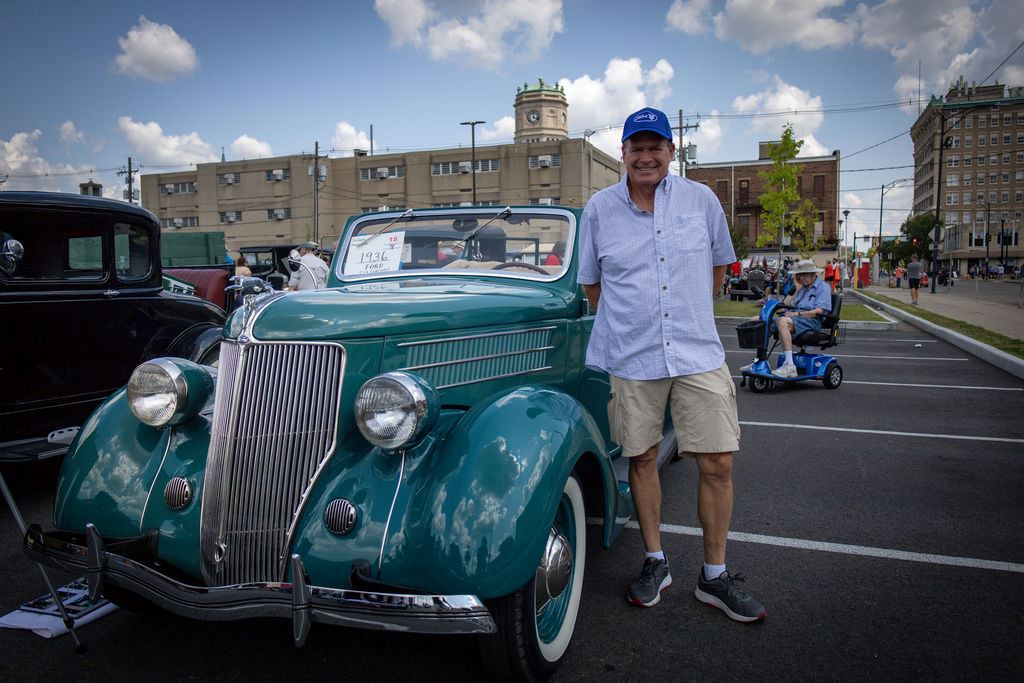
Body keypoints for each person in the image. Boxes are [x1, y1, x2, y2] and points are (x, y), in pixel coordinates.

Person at [577, 106, 766, 622]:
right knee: (641, 457)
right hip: (633, 356)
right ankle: (655, 562)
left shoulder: (701, 200)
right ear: (623, 153)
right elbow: (592, 284)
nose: (646, 156)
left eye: (655, 146)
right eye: (636, 147)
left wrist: (688, 311)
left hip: (696, 350)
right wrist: (632, 321)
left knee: (718, 460)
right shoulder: (599, 210)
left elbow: (719, 267)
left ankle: (715, 576)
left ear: (670, 150)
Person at [770, 260, 833, 378]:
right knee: (761, 319)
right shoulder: (802, 288)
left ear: (813, 274)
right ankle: (759, 360)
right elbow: (784, 306)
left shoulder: (823, 287)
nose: (801, 278)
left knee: (782, 321)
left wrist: (797, 314)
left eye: (804, 274)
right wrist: (797, 289)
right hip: (796, 319)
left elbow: (819, 311)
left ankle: (789, 365)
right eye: (799, 275)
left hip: (812, 321)